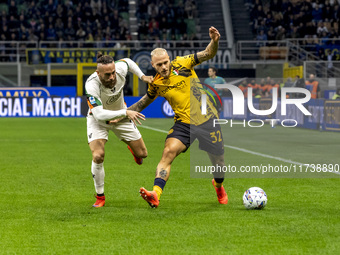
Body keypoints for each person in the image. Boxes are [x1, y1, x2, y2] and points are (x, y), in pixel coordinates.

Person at [128, 26, 228, 208]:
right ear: (153, 66)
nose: (164, 67)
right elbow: (142, 103)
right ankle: (155, 193)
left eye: (165, 62)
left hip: (208, 120)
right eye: (159, 65)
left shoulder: (183, 63)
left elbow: (208, 54)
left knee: (219, 164)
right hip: (183, 124)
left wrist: (214, 41)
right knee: (168, 152)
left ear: (169, 59)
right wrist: (123, 113)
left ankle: (218, 185)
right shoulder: (155, 84)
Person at [85, 53, 153, 207]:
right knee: (98, 156)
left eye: (113, 73)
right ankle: (100, 196)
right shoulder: (91, 84)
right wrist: (125, 112)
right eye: (107, 75)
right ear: (98, 73)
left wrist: (143, 77)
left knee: (143, 154)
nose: (112, 77)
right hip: (99, 120)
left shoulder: (120, 69)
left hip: (121, 117)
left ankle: (132, 148)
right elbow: (98, 113)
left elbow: (128, 62)